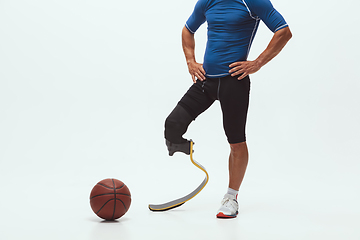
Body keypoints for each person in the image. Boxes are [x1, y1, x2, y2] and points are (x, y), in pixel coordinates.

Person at [164, 0, 292, 218]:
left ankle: (231, 197)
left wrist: (257, 63)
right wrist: (190, 61)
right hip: (206, 81)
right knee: (172, 125)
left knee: (236, 142)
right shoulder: (207, 1)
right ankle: (189, 150)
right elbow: (188, 30)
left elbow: (284, 32)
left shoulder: (253, 2)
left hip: (235, 82)